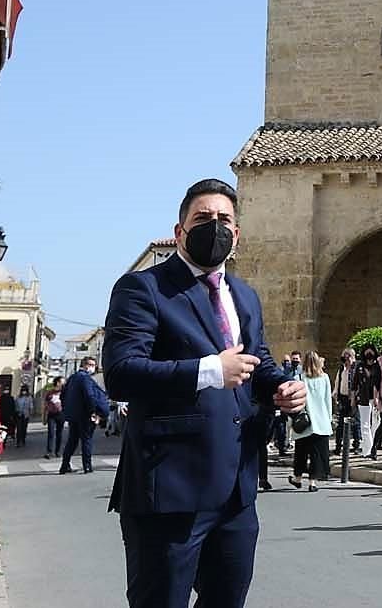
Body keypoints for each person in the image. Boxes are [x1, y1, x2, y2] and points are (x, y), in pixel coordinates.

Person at [103, 178, 306, 608]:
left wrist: (281, 389)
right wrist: (211, 370)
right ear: (180, 231)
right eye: (202, 219)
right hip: (170, 488)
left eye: (223, 220)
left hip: (236, 490)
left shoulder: (244, 296)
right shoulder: (144, 288)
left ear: (236, 235)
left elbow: (258, 363)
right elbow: (121, 373)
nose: (213, 227)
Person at [288, 351, 333, 491]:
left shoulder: (298, 378)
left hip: (304, 422)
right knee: (316, 454)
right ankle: (312, 482)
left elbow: (294, 401)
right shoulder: (325, 378)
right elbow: (328, 400)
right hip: (321, 421)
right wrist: (329, 418)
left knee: (300, 452)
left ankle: (297, 478)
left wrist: (291, 421)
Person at [59, 357, 110, 474]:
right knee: (87, 440)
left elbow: (63, 396)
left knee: (72, 441)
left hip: (73, 416)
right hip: (86, 415)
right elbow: (89, 396)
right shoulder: (85, 378)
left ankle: (64, 465)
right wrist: (93, 412)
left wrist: (67, 410)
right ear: (85, 365)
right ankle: (87, 466)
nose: (93, 367)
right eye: (91, 364)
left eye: (94, 365)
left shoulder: (72, 378)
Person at [353, 345, 382, 458]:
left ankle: (373, 446)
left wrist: (377, 398)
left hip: (375, 398)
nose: (369, 356)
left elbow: (378, 382)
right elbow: (355, 383)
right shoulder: (360, 366)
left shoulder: (377, 366)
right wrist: (353, 398)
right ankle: (367, 450)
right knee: (365, 424)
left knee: (376, 423)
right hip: (364, 398)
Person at [272, 351, 303, 457]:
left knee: (298, 424)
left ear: (300, 360)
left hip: (297, 402)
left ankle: (298, 448)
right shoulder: (284, 371)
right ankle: (282, 447)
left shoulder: (302, 371)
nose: (294, 361)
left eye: (296, 359)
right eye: (292, 359)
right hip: (285, 402)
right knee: (282, 426)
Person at [333, 348, 355, 455]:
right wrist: (335, 395)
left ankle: (356, 445)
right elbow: (338, 382)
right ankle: (338, 445)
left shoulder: (355, 368)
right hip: (343, 398)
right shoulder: (341, 369)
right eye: (344, 357)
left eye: (348, 357)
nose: (346, 360)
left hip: (353, 399)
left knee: (355, 423)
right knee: (341, 423)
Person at [44, 378, 66, 458]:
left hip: (61, 414)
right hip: (51, 415)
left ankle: (58, 451)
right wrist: (44, 417)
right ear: (57, 383)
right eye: (62, 382)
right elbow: (45, 405)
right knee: (51, 433)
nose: (63, 384)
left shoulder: (64, 393)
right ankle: (49, 452)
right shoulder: (50, 393)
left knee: (59, 433)